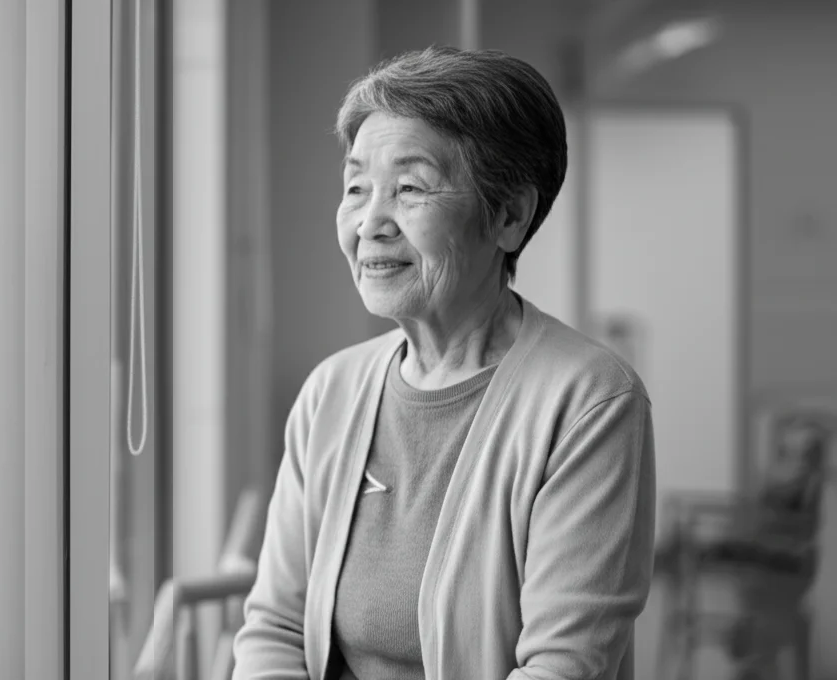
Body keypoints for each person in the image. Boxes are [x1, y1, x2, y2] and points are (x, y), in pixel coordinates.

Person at [232, 45, 656, 680]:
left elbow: (561, 666)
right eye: (355, 188)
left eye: (409, 188)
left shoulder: (588, 400)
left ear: (510, 215)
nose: (370, 221)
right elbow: (275, 627)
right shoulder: (332, 390)